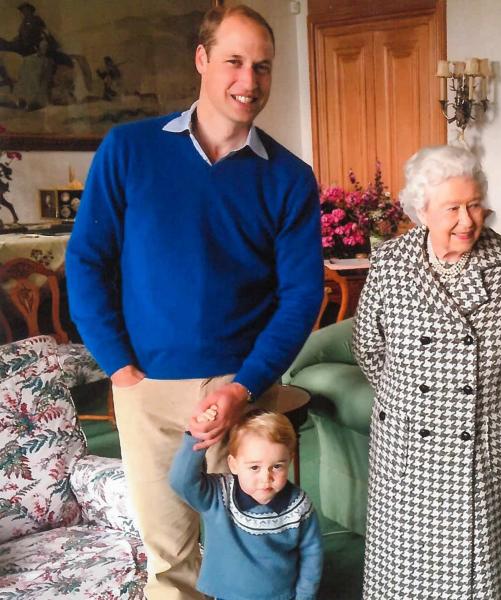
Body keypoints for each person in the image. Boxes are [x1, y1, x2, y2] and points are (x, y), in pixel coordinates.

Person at [65, 5, 324, 598]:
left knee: (258, 543)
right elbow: (86, 262)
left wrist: (245, 385)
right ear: (202, 60)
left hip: (244, 387)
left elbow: (301, 295)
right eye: (233, 61)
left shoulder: (288, 176)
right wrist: (119, 367)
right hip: (146, 388)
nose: (248, 81)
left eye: (262, 66)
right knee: (170, 555)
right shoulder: (129, 149)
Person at [352, 144, 501, 599]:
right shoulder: (389, 263)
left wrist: (486, 398)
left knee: (487, 573)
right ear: (422, 211)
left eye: (475, 204)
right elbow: (367, 348)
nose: (467, 220)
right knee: (408, 571)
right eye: (452, 208)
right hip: (407, 447)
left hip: (487, 441)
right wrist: (415, 402)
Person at [169, 409, 323, 599]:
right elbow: (181, 481)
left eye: (277, 466)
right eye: (254, 467)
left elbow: (312, 555)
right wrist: (197, 438)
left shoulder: (299, 505)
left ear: (289, 461)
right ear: (233, 465)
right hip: (227, 594)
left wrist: (304, 596)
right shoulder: (218, 494)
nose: (265, 478)